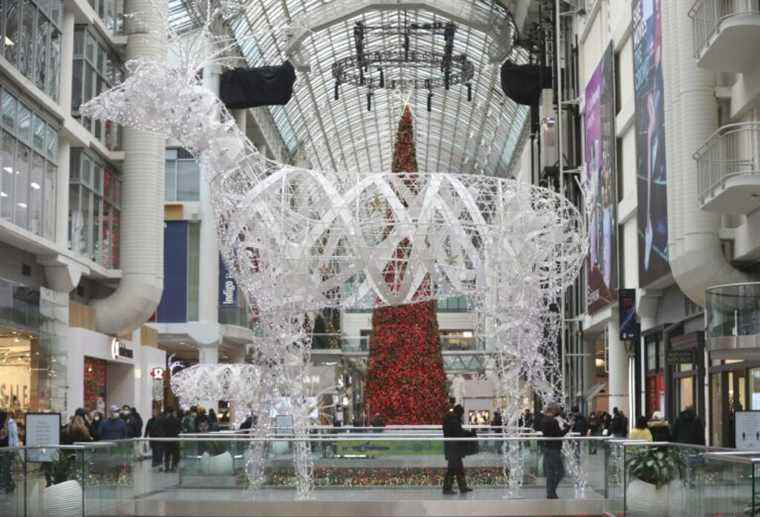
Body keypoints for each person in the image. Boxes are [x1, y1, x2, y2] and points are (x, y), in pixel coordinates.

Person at [535, 403, 570, 499]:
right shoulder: (553, 421)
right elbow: (559, 435)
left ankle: (550, 492)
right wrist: (568, 428)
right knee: (560, 472)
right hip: (554, 449)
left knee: (550, 472)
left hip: (547, 448)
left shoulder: (543, 420)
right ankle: (551, 491)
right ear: (553, 411)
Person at [442, 404, 475, 495]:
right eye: (462, 413)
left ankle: (462, 487)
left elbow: (458, 432)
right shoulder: (453, 421)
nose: (462, 415)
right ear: (459, 412)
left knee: (459, 469)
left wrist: (467, 433)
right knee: (452, 470)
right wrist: (469, 434)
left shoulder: (451, 419)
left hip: (452, 449)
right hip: (454, 449)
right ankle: (447, 488)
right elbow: (458, 433)